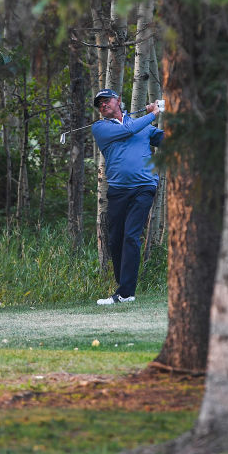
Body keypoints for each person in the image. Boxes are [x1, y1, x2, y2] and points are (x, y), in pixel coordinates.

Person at [91, 88, 164, 305]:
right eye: (99, 104)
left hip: (144, 187)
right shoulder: (100, 128)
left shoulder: (142, 126)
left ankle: (125, 293)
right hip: (118, 190)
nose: (103, 105)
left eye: (106, 101)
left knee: (131, 236)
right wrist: (153, 113)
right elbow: (128, 131)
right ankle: (124, 288)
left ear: (118, 101)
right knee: (116, 240)